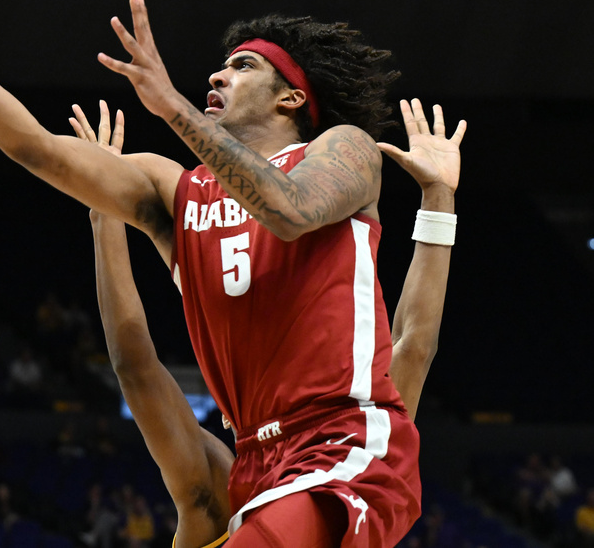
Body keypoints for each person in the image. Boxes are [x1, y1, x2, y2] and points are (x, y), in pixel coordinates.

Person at [0, 0, 466, 546]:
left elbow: (291, 210)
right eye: (222, 66)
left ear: (292, 97)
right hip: (255, 462)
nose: (218, 74)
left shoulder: (344, 149)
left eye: (242, 65)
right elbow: (33, 147)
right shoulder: (174, 191)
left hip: (341, 446)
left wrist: (172, 107)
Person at [76, 99, 459, 548]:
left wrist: (104, 216)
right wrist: (438, 199)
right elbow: (412, 344)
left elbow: (135, 367)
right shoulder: (219, 488)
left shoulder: (221, 486)